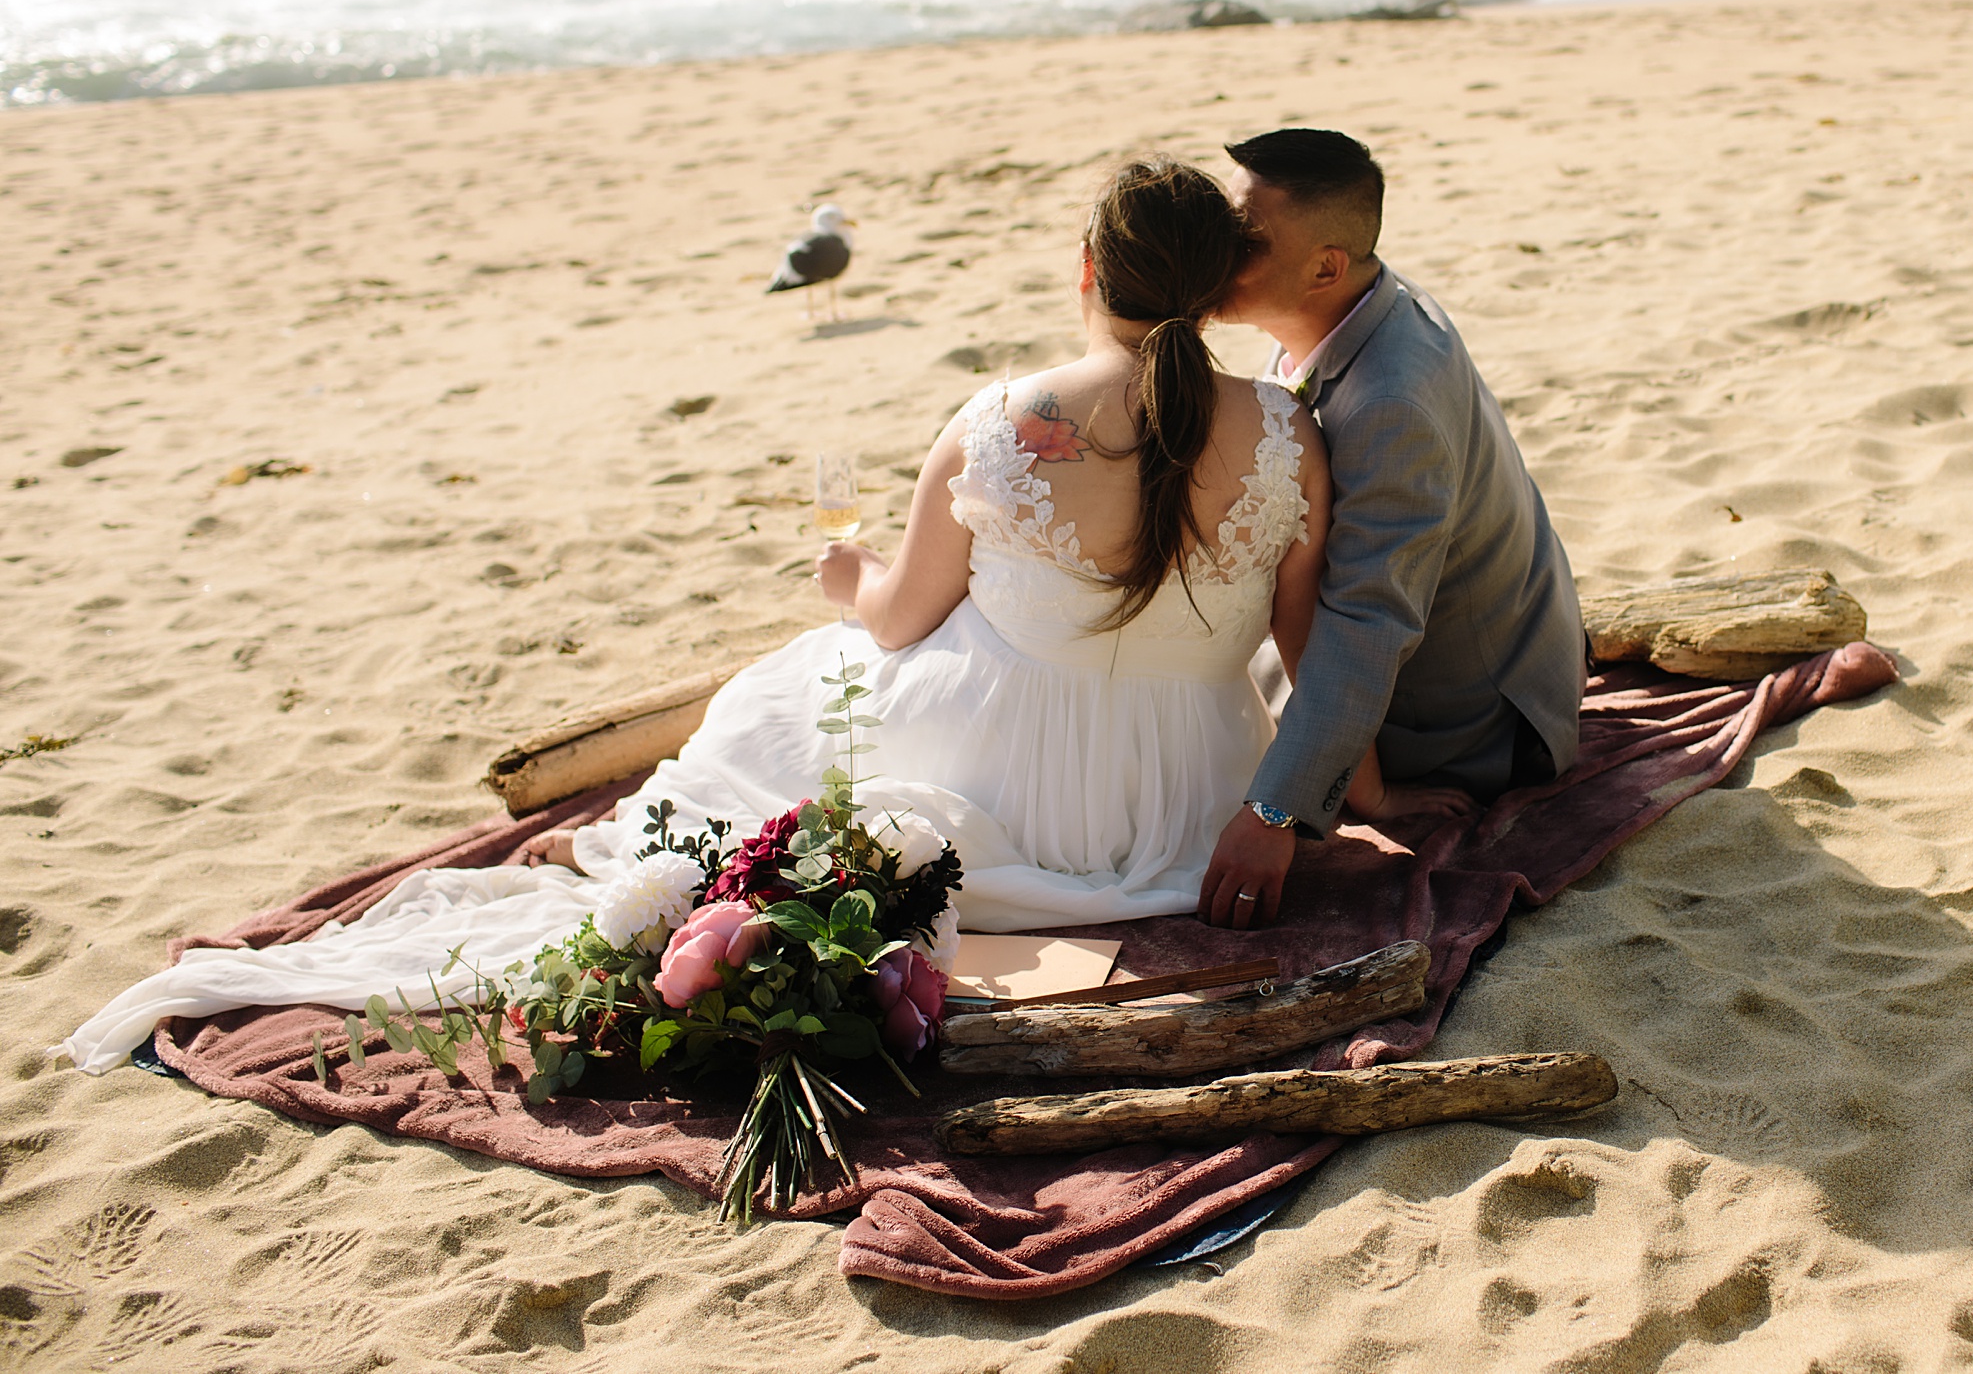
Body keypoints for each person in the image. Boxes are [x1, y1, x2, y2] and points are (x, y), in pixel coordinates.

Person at [59, 157, 1331, 1072]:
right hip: (1196, 812)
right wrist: (1333, 797)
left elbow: (897, 621)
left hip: (1003, 790)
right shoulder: (1286, 428)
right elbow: (1305, 642)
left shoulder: (999, 421)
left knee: (795, 681)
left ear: (1088, 270)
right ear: (1220, 285)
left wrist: (846, 580)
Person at [1196, 129, 1585, 932]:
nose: (1217, 250)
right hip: (1497, 632)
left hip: (1475, 722)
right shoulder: (1356, 303)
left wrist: (1275, 812)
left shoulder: (1388, 405)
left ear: (1326, 266)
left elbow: (1369, 619)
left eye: (1245, 238)